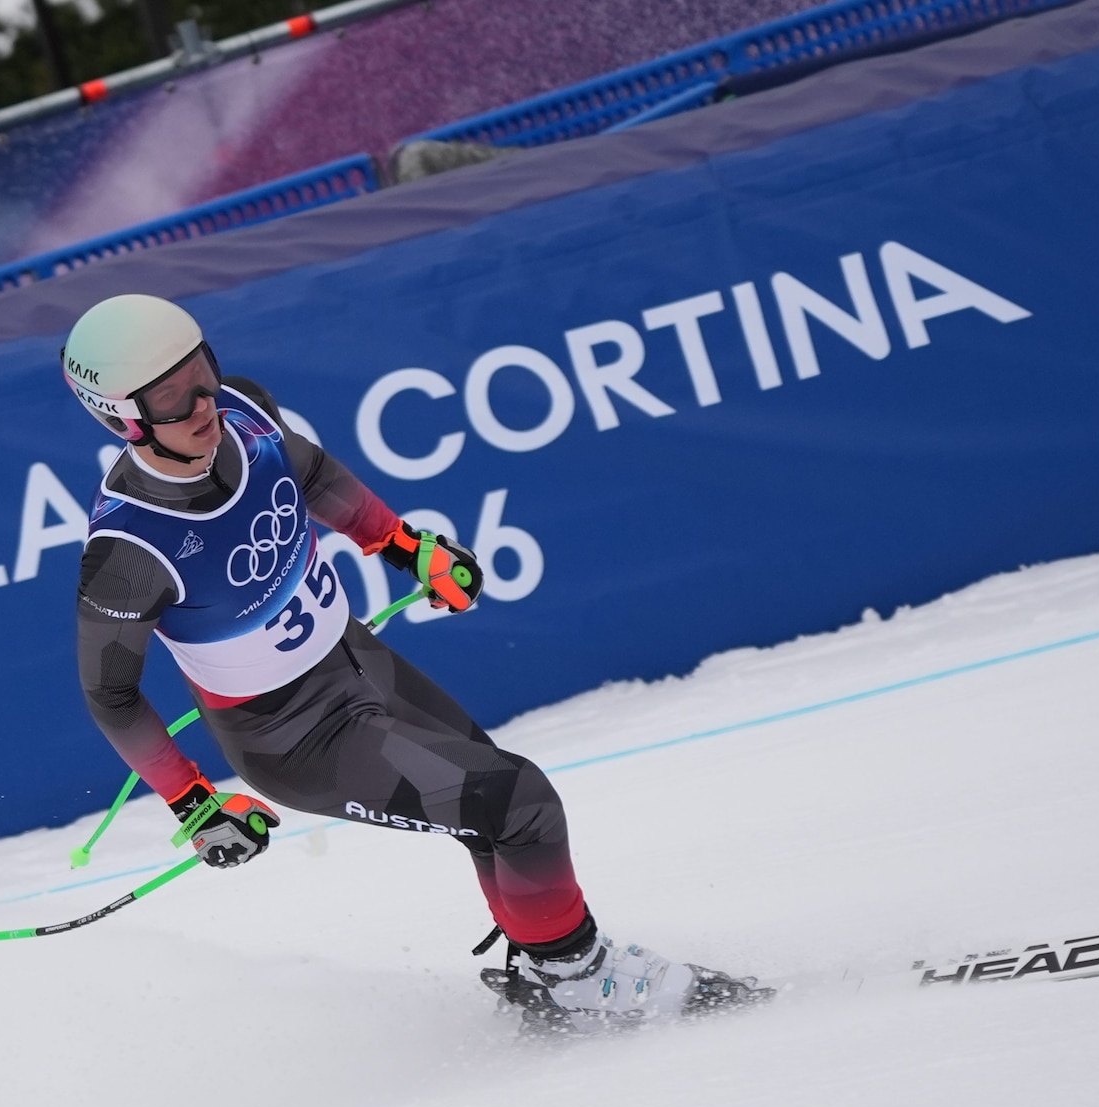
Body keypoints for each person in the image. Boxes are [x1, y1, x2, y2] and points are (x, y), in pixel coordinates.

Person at [62, 294, 763, 1028]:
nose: (204, 402)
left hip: (355, 659)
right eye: (173, 397)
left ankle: (552, 975)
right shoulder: (129, 552)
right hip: (293, 735)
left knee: (493, 801)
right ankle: (579, 978)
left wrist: (404, 547)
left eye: (201, 370)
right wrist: (195, 804)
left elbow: (311, 473)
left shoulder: (243, 409)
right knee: (517, 801)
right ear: (122, 417)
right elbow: (111, 695)